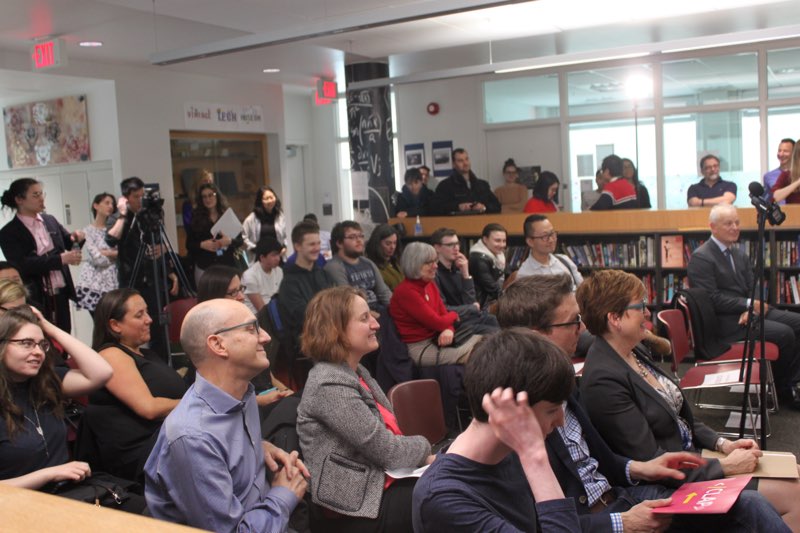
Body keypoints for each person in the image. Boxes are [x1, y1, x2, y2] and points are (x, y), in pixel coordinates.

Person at [496, 273, 790, 532]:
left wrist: (639, 469)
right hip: (607, 514)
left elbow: (602, 460)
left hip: (624, 495)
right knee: (765, 502)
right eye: (574, 321)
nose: (582, 328)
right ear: (535, 335)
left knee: (753, 505)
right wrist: (621, 521)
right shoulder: (515, 414)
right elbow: (543, 521)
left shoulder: (569, 380)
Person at [577, 269, 800, 531]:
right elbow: (653, 461)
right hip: (670, 484)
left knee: (794, 473)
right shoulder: (604, 379)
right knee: (794, 495)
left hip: (694, 460)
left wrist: (723, 443)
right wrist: (725, 467)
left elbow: (678, 416)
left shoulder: (632, 349)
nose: (647, 313)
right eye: (640, 306)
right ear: (614, 318)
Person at [144, 298, 308, 532]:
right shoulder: (193, 437)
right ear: (218, 345)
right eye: (252, 329)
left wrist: (255, 447)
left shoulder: (242, 393)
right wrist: (284, 494)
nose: (266, 337)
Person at [412, 328, 582, 532]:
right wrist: (534, 457)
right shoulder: (443, 498)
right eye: (552, 410)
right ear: (508, 409)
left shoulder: (509, 453)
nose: (561, 421)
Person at [297, 286, 433, 532]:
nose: (376, 324)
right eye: (364, 318)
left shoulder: (356, 371)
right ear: (335, 330)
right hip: (358, 506)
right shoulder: (329, 382)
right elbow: (387, 450)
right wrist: (425, 449)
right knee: (449, 495)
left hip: (380, 482)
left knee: (457, 482)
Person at [687, 205, 800, 406]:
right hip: (727, 322)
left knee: (797, 322)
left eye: (737, 222)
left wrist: (752, 306)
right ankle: (785, 389)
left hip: (751, 313)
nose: (735, 227)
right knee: (785, 334)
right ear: (713, 227)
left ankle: (793, 381)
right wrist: (748, 304)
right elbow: (711, 299)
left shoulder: (739, 254)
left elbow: (754, 285)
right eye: (728, 223)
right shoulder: (701, 257)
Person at [0, 306, 113, 490]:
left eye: (42, 344)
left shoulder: (45, 383)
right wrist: (50, 474)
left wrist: (47, 326)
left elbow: (102, 372)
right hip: (18, 507)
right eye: (26, 343)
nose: (38, 352)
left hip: (66, 492)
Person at [84, 289, 187, 483]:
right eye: (139, 315)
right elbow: (148, 408)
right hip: (143, 455)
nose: (149, 320)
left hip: (168, 439)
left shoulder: (145, 354)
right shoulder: (111, 355)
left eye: (147, 312)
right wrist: (197, 401)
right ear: (115, 325)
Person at [107, 176, 178, 361]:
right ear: (126, 197)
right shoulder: (119, 217)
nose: (140, 200)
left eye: (142, 195)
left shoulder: (147, 215)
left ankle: (162, 363)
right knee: (132, 326)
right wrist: (123, 215)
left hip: (153, 279)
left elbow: (162, 243)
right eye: (136, 197)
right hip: (131, 279)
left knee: (157, 325)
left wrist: (163, 251)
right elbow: (111, 239)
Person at [0, 178, 83, 332]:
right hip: (36, 294)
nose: (41, 198)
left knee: (64, 334)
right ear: (19, 200)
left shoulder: (49, 220)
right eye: (35, 195)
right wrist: (60, 259)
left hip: (60, 292)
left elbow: (67, 243)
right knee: (40, 334)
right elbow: (22, 264)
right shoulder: (9, 232)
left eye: (41, 194)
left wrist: (77, 238)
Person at [390, 242, 481, 366]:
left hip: (438, 339)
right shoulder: (406, 292)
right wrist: (454, 315)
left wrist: (449, 329)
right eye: (429, 263)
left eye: (435, 261)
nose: (436, 266)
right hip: (421, 348)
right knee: (480, 353)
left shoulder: (430, 284)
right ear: (414, 265)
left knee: (485, 341)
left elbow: (443, 315)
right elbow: (437, 322)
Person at [278, 220, 335, 341]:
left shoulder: (323, 274)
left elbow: (337, 303)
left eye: (318, 243)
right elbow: (305, 317)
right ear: (297, 246)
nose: (317, 248)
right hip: (307, 342)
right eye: (312, 244)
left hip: (329, 333)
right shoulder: (288, 284)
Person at [325, 221, 392, 311]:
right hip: (360, 314)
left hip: (381, 310)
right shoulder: (334, 267)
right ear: (339, 243)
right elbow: (348, 301)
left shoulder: (368, 263)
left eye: (361, 236)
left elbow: (384, 292)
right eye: (352, 237)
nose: (359, 240)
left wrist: (398, 309)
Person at [185, 183, 241, 284]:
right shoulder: (196, 218)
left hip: (227, 267)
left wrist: (229, 241)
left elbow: (240, 241)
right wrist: (202, 245)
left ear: (217, 196)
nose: (208, 199)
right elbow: (189, 244)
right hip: (205, 268)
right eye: (204, 196)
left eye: (211, 195)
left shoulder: (228, 215)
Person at [76, 193, 119, 315]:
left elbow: (124, 253)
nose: (110, 206)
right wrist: (114, 254)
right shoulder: (87, 231)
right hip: (93, 284)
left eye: (112, 204)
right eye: (106, 203)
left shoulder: (115, 230)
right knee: (100, 325)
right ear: (96, 205)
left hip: (113, 283)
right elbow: (99, 260)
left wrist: (105, 252)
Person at [517, 214, 583, 288]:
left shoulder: (564, 260)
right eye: (545, 237)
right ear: (530, 242)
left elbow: (582, 290)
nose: (551, 240)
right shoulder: (525, 275)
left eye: (552, 234)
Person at [429, 148, 500, 215]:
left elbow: (497, 206)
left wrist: (484, 207)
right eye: (460, 160)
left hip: (481, 223)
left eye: (466, 159)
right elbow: (434, 208)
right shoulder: (445, 186)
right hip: (456, 224)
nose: (465, 163)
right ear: (454, 164)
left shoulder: (482, 184)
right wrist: (458, 207)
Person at [242, 186, 288, 263]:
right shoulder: (251, 218)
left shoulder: (280, 216)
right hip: (259, 259)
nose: (270, 201)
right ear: (260, 201)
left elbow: (285, 235)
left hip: (278, 258)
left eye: (271, 197)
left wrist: (285, 247)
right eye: (266, 199)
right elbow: (243, 238)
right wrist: (256, 249)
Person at [468, 223, 508, 309]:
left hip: (493, 300)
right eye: (497, 240)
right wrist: (511, 298)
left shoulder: (498, 254)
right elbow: (491, 287)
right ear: (485, 239)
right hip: (482, 306)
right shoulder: (478, 259)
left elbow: (509, 273)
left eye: (504, 241)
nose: (502, 245)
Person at [241, 237, 284, 314]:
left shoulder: (279, 271)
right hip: (257, 317)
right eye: (273, 255)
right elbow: (261, 309)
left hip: (275, 311)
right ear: (262, 257)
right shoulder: (250, 276)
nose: (278, 258)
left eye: (278, 254)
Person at [365, 224, 404, 291]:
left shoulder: (395, 261)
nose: (393, 247)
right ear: (377, 244)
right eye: (388, 243)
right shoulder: (371, 265)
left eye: (395, 243)